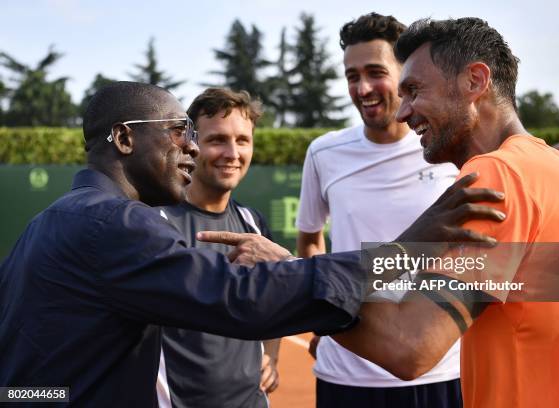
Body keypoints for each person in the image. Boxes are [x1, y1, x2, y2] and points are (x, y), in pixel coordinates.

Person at [0, 81, 505, 406]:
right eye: (180, 131)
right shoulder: (113, 224)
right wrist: (403, 250)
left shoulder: (50, 223)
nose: (193, 147)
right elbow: (238, 300)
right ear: (125, 139)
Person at [327, 17, 559, 408]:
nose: (402, 112)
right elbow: (524, 291)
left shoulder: (501, 174)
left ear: (475, 81)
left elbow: (410, 346)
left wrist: (295, 287)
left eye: (413, 90)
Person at [296, 13, 461, 408]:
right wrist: (326, 315)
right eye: (352, 76)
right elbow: (310, 240)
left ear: (405, 75)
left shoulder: (449, 152)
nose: (363, 88)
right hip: (346, 374)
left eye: (375, 72)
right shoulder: (324, 152)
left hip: (439, 372)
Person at [156, 88, 280, 408]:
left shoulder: (253, 223)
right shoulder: (153, 221)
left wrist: (272, 355)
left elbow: (276, 301)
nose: (232, 152)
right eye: (217, 140)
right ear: (191, 145)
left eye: (242, 140)